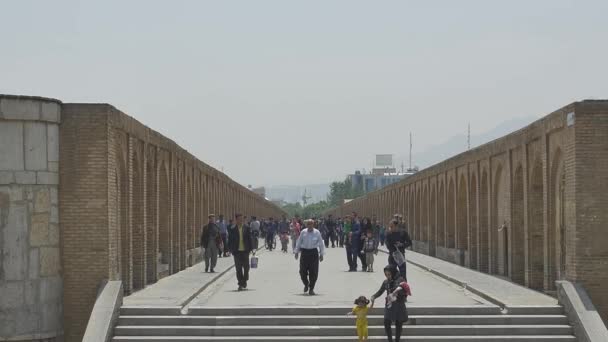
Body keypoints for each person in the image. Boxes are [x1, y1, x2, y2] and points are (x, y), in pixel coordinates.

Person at [370, 265, 411, 342]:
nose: (387, 276)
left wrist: (397, 292)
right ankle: (390, 340)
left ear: (393, 272)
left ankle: (397, 340)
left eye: (389, 274)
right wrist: (374, 296)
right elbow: (380, 291)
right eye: (386, 274)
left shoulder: (400, 280)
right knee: (386, 322)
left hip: (399, 305)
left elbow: (405, 290)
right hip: (389, 305)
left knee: (398, 323)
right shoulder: (386, 282)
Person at [294, 219, 325, 295]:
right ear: (306, 225)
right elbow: (299, 242)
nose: (310, 225)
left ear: (313, 225)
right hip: (304, 253)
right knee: (302, 271)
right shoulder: (303, 232)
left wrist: (321, 254)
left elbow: (321, 243)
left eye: (311, 224)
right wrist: (296, 252)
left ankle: (311, 288)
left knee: (314, 272)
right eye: (308, 224)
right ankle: (306, 284)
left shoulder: (317, 232)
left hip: (313, 253)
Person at [227, 213, 254, 291]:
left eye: (242, 219)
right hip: (237, 252)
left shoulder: (247, 228)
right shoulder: (232, 229)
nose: (241, 220)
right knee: (238, 269)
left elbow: (250, 239)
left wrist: (252, 249)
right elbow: (230, 240)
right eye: (239, 219)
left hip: (245, 251)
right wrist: (229, 250)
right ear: (236, 220)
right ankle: (240, 283)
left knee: (246, 268)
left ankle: (244, 280)